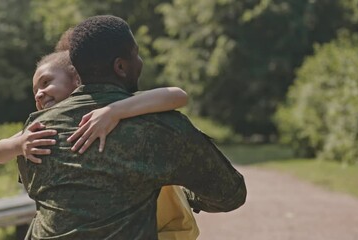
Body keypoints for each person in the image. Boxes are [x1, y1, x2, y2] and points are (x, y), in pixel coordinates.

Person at [17, 15, 246, 239]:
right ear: (120, 66)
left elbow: (39, 190)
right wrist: (183, 193)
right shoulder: (159, 125)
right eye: (136, 54)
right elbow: (229, 195)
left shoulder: (37, 131)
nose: (141, 61)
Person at [0, 51, 200, 239]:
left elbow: (177, 96)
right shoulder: (44, 127)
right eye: (35, 91)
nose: (39, 93)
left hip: (164, 225)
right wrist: (19, 143)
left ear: (77, 79)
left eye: (46, 82)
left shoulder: (111, 106)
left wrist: (115, 111)